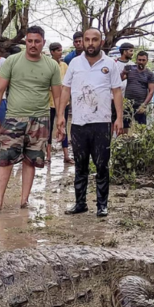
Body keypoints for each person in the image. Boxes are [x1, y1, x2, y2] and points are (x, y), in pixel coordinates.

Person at [0, 26, 62, 209]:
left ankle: (24, 200)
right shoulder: (13, 61)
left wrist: (60, 118)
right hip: (14, 118)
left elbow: (58, 95)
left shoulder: (52, 65)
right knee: (6, 160)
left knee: (31, 161)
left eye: (37, 41)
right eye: (29, 41)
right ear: (25, 42)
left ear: (43, 43)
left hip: (40, 119)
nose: (33, 45)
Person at [55, 29, 125, 218]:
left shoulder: (110, 64)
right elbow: (66, 89)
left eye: (95, 40)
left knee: (102, 165)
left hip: (102, 123)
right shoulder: (75, 63)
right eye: (87, 40)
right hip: (78, 123)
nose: (91, 43)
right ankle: (80, 203)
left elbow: (117, 91)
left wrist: (119, 117)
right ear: (83, 42)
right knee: (80, 165)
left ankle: (102, 205)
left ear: (101, 42)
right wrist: (60, 115)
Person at [48, 42, 74, 164]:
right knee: (49, 129)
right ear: (52, 52)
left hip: (64, 102)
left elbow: (69, 82)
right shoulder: (48, 65)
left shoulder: (64, 65)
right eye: (58, 50)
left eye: (61, 50)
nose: (60, 53)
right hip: (49, 102)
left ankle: (66, 155)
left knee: (63, 127)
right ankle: (48, 156)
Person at [122, 51, 154, 127]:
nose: (141, 62)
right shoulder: (130, 70)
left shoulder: (149, 74)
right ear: (136, 60)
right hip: (128, 104)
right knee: (125, 128)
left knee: (140, 129)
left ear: (147, 61)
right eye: (139, 60)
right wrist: (123, 72)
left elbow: (151, 91)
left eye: (143, 60)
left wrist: (144, 105)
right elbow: (120, 79)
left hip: (140, 105)